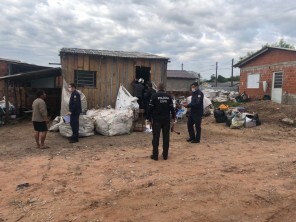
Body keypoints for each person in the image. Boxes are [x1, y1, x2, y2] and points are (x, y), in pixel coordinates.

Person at [146, 83, 176, 160]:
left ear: (158, 88)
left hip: (157, 120)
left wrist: (148, 118)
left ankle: (155, 156)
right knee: (166, 137)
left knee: (156, 137)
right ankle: (165, 155)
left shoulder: (154, 96)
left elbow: (150, 108)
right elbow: (172, 108)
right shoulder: (168, 96)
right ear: (164, 88)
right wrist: (173, 117)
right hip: (166, 120)